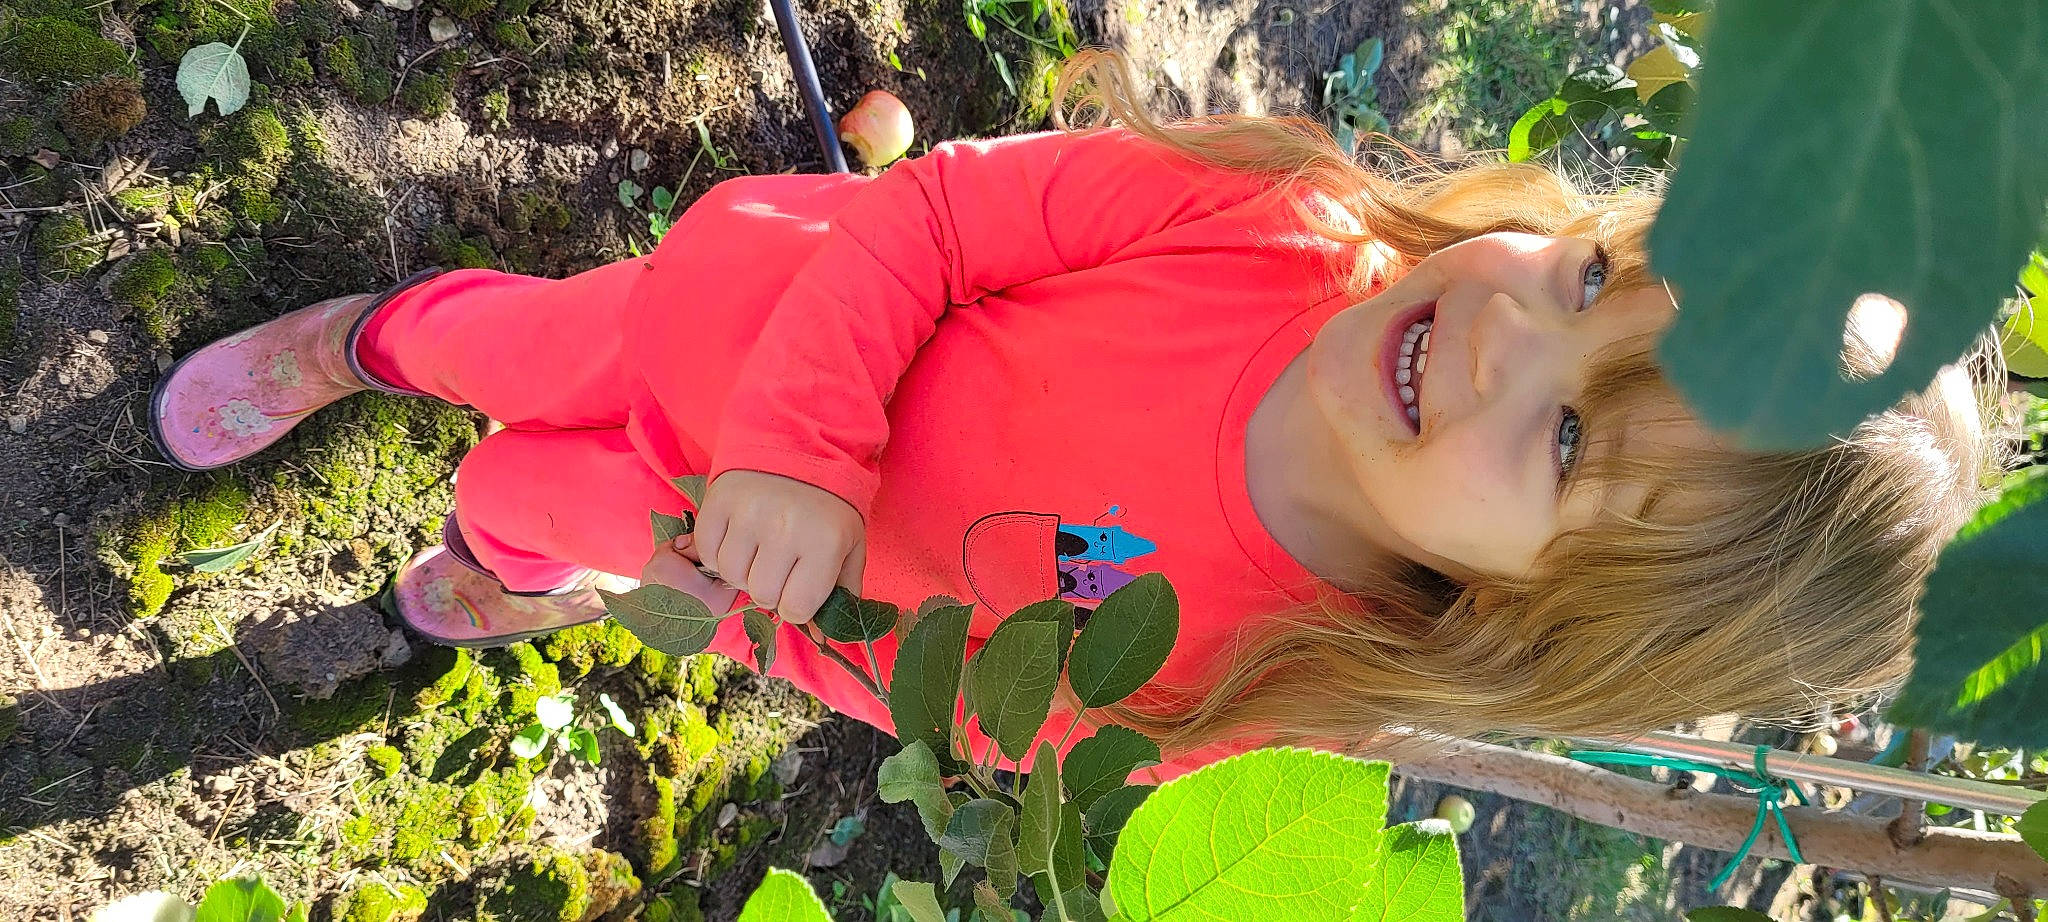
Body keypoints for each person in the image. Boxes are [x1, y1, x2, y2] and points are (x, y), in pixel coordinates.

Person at [147, 51, 2008, 780]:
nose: (1514, 329)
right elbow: (945, 210)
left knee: (521, 507)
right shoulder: (1278, 223)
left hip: (717, 560)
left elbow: (982, 704)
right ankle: (365, 337)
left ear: (1532, 614)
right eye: (1598, 280)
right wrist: (802, 442)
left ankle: (505, 560)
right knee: (515, 357)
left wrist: (806, 653)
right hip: (719, 326)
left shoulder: (1261, 672)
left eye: (1577, 443)